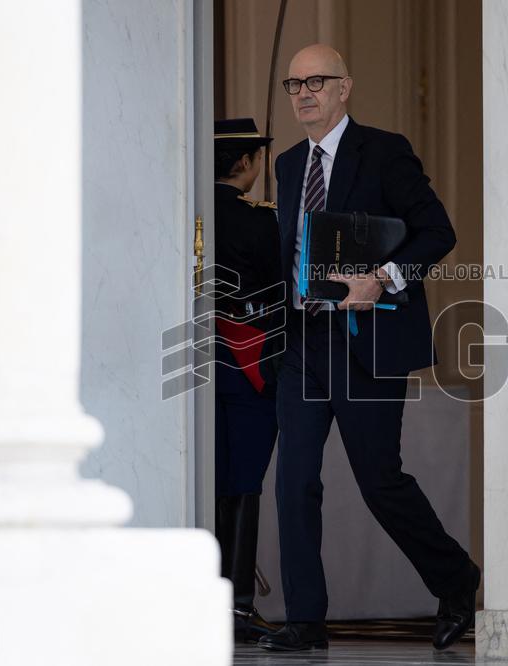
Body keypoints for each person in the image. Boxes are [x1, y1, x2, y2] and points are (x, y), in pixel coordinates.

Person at [258, 44, 480, 653]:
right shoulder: (287, 165)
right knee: (293, 482)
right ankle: (305, 621)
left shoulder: (384, 152)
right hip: (303, 343)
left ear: (345, 87)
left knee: (380, 481)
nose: (304, 93)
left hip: (366, 341)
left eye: (317, 81)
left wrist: (381, 278)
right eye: (294, 84)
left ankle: (456, 579)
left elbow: (437, 232)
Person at [212, 118, 284, 643]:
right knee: (244, 479)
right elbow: (285, 289)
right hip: (249, 362)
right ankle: (235, 605)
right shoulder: (262, 220)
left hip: (198, 364)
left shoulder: (186, 212)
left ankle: (207, 598)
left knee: (210, 479)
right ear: (245, 162)